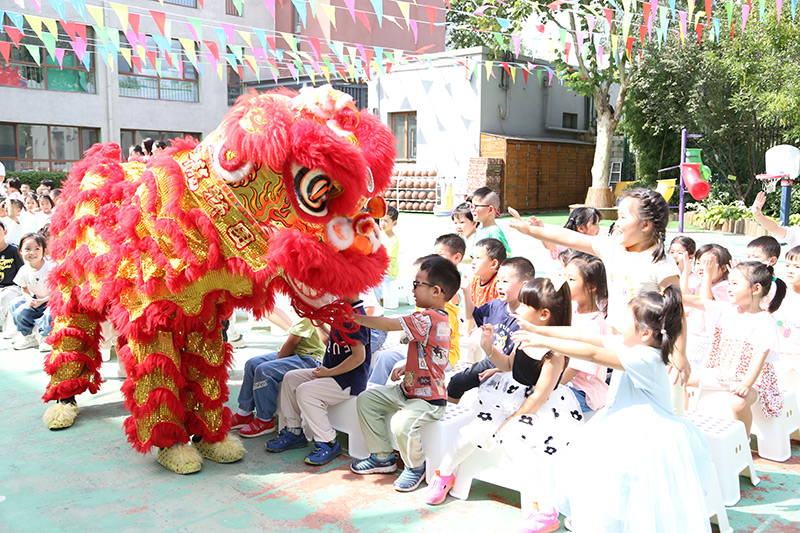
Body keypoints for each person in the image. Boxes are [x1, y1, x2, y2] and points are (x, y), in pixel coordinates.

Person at [513, 286, 712, 532]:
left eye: (627, 320)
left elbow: (594, 353)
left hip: (648, 439)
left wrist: (543, 341)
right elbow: (583, 336)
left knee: (640, 502)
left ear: (646, 332)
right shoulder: (634, 345)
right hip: (624, 429)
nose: (618, 323)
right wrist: (538, 329)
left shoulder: (647, 358)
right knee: (610, 490)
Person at [425, 278, 583, 531]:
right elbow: (509, 365)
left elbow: (540, 396)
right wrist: (488, 348)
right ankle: (444, 474)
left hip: (538, 410)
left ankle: (544, 509)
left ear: (543, 314)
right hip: (510, 397)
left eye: (523, 305)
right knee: (471, 432)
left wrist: (514, 418)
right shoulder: (522, 337)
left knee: (516, 442)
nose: (516, 310)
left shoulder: (554, 353)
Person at [508, 188, 691, 385]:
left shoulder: (661, 264)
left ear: (645, 225)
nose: (617, 224)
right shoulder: (613, 248)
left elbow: (675, 309)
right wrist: (530, 230)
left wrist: (679, 354)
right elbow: (569, 238)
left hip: (646, 347)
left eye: (622, 217)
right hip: (618, 341)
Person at [349, 256, 459, 492]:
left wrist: (353, 317)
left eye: (417, 284)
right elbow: (427, 352)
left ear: (437, 291)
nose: (413, 289)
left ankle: (415, 467)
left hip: (428, 399)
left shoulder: (428, 317)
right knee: (367, 399)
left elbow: (389, 324)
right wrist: (406, 367)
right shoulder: (432, 317)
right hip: (407, 389)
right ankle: (382, 457)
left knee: (401, 424)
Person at [265, 295, 371, 466]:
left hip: (349, 381)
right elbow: (329, 342)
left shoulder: (355, 315)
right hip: (332, 374)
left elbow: (359, 357)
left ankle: (328, 442)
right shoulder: (340, 311)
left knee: (305, 391)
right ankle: (294, 431)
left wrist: (329, 372)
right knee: (291, 378)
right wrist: (318, 320)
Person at [684, 262, 786, 435]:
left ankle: (742, 440)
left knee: (738, 401)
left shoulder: (764, 321)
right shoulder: (726, 310)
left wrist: (746, 384)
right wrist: (667, 293)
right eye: (729, 283)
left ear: (756, 289)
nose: (729, 288)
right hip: (723, 373)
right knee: (680, 378)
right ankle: (684, 424)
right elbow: (698, 301)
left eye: (735, 284)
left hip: (755, 380)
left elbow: (759, 358)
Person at [447, 257, 536, 404]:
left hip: (515, 371)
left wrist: (498, 371)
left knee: (487, 389)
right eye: (498, 281)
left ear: (524, 285)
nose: (499, 286)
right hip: (491, 360)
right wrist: (466, 292)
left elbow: (518, 364)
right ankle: (449, 417)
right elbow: (470, 314)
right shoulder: (495, 306)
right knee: (457, 382)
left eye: (505, 281)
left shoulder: (529, 317)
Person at [231, 317, 329, 438]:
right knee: (252, 364)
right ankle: (244, 413)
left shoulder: (309, 312)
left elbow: (292, 342)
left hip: (310, 358)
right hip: (297, 353)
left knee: (264, 370)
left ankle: (265, 420)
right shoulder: (301, 308)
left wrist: (274, 364)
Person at [560, 252, 609, 412]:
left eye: (571, 280)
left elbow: (574, 368)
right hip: (562, 383)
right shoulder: (570, 309)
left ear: (591, 286)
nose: (565, 283)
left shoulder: (594, 324)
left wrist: (545, 388)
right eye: (565, 277)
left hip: (583, 392)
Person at [11, 233, 54, 350]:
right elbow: (24, 288)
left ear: (44, 251)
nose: (32, 253)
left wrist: (43, 301)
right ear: (20, 250)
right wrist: (29, 299)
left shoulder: (51, 267)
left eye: (37, 249)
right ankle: (28, 336)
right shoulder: (24, 269)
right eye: (27, 249)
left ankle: (46, 338)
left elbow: (59, 290)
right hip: (37, 300)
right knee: (20, 312)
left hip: (52, 301)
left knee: (48, 315)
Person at [470, 187, 511, 256]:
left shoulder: (494, 232)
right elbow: (474, 256)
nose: (472, 210)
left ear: (490, 210)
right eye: (471, 206)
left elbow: (502, 256)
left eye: (476, 206)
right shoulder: (480, 230)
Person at [775, 246, 800, 355]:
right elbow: (777, 319)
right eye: (787, 265)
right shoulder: (780, 291)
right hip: (783, 345)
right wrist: (782, 327)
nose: (790, 270)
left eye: (797, 267)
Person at [468, 238, 506, 308]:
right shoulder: (475, 280)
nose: (473, 262)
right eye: (473, 258)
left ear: (494, 264)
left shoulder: (499, 284)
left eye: (478, 258)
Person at [0, 220, 23, 332]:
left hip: (12, 286)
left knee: (3, 298)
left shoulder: (14, 250)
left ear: (5, 232)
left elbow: (21, 270)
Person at [376, 205, 399, 303]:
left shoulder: (394, 240)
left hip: (388, 272)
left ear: (394, 223)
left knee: (375, 281)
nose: (382, 223)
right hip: (377, 268)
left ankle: (378, 301)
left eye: (386, 221)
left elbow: (389, 261)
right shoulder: (377, 235)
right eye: (381, 220)